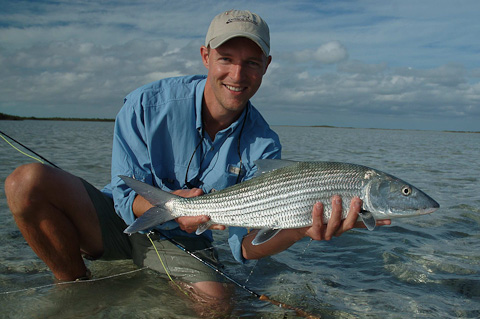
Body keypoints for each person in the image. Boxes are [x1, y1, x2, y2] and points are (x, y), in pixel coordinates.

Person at [5, 9, 390, 309]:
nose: (237, 74)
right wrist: (170, 205)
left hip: (187, 243)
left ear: (267, 67)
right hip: (119, 223)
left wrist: (300, 229)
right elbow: (124, 195)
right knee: (26, 183)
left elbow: (244, 247)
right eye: (226, 58)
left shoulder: (264, 145)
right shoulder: (145, 105)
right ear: (206, 56)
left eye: (252, 62)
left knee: (218, 306)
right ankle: (74, 285)